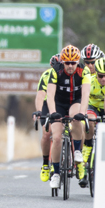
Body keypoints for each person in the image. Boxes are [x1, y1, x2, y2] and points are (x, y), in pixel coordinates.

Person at [44, 44, 91, 191]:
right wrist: (53, 112)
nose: (70, 66)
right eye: (67, 63)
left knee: (76, 117)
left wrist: (82, 112)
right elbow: (50, 95)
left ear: (78, 62)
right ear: (62, 62)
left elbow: (85, 95)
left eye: (73, 63)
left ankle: (77, 151)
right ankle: (56, 173)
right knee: (57, 137)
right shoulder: (56, 71)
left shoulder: (84, 71)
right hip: (59, 103)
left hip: (75, 101)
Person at [79, 56, 105, 188]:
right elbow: (84, 97)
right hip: (92, 106)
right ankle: (88, 145)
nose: (103, 79)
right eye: (100, 76)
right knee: (90, 120)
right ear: (96, 73)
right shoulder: (90, 80)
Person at [35, 54, 61, 182]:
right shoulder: (46, 75)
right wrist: (39, 111)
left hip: (61, 103)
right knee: (47, 133)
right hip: (47, 104)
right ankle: (45, 163)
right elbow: (40, 95)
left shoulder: (67, 75)